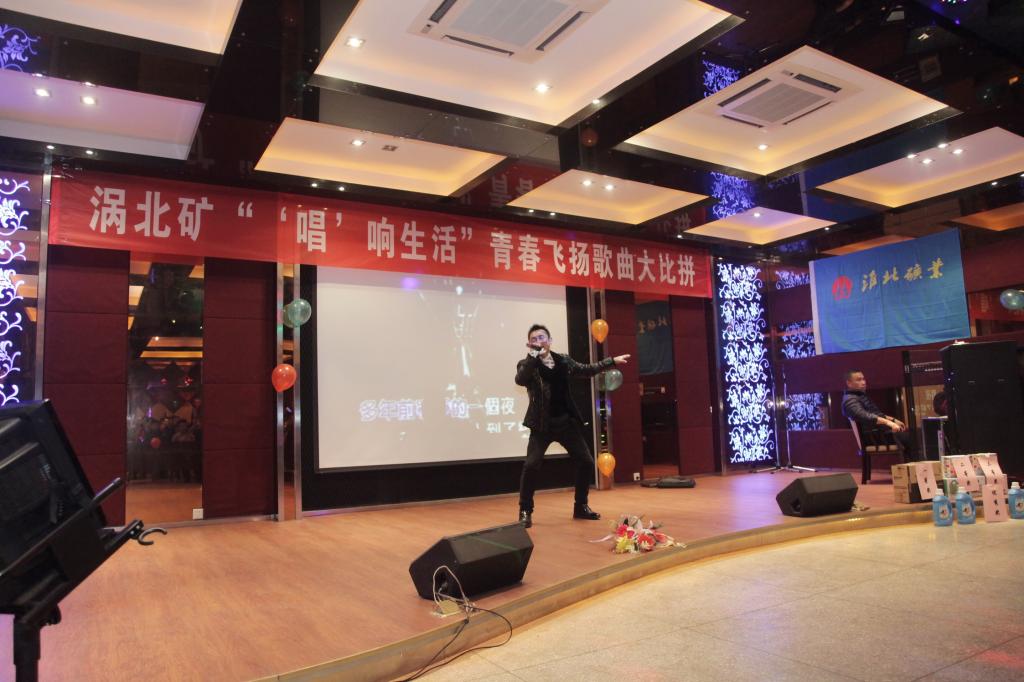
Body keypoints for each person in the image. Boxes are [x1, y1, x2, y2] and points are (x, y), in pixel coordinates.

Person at [514, 323, 630, 528]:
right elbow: (520, 379)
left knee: (586, 462)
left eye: (542, 337)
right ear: (529, 344)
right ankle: (525, 511)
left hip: (565, 422)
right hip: (542, 425)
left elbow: (587, 370)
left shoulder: (563, 360)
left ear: (550, 341)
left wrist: (611, 361)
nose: (538, 341)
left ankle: (581, 506)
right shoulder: (527, 364)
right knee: (531, 465)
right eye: (534, 339)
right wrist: (532, 356)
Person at [841, 370, 917, 459]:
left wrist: (893, 420)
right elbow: (864, 415)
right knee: (915, 437)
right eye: (859, 380)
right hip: (875, 437)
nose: (863, 382)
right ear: (849, 383)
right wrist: (889, 423)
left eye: (863, 379)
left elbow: (876, 414)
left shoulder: (859, 396)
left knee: (915, 434)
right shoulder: (850, 400)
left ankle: (911, 463)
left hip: (880, 433)